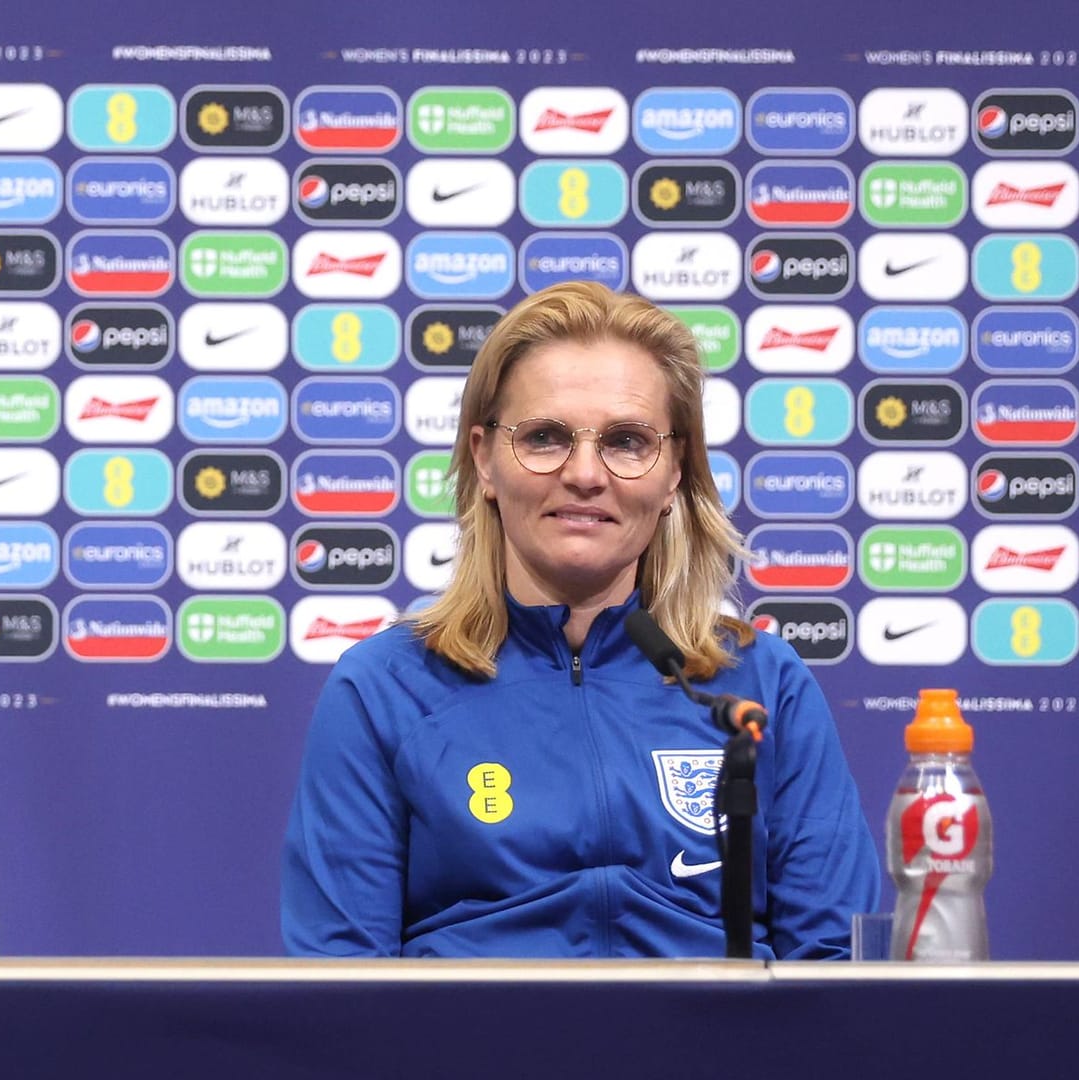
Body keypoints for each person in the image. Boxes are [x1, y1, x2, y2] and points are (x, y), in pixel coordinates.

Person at [281, 281, 881, 959]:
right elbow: (341, 988)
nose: (586, 474)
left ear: (675, 470)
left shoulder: (759, 687)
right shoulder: (384, 688)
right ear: (483, 458)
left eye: (627, 441)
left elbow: (838, 972)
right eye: (545, 437)